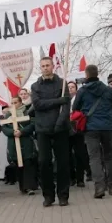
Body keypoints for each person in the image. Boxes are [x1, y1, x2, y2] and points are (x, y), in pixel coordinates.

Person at [30, 57, 72, 207]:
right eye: (43, 66)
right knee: (44, 162)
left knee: (62, 163)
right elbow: (38, 104)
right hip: (42, 129)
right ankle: (48, 195)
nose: (45, 68)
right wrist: (57, 101)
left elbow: (66, 105)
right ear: (40, 68)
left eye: (48, 65)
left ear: (53, 66)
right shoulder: (35, 86)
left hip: (60, 128)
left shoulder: (62, 83)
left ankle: (63, 195)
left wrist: (60, 122)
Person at [72, 64, 112, 198]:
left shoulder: (82, 91)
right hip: (108, 127)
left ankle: (99, 188)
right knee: (110, 156)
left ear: (86, 75)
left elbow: (75, 108)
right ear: (97, 74)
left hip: (91, 128)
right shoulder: (108, 90)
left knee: (94, 158)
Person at [1, 96, 38, 195]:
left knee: (27, 164)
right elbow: (4, 128)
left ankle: (29, 187)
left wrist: (22, 131)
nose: (14, 105)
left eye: (16, 102)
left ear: (21, 103)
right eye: (12, 103)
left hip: (25, 141)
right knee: (18, 165)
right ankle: (22, 187)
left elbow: (33, 124)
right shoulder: (8, 115)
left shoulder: (27, 112)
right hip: (14, 143)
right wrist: (13, 132)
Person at [66, 81, 89, 188]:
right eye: (68, 87)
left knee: (79, 154)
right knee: (68, 155)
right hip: (66, 129)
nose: (70, 89)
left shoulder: (80, 99)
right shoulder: (64, 100)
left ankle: (80, 179)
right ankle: (71, 177)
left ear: (76, 89)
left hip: (78, 129)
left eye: (72, 87)